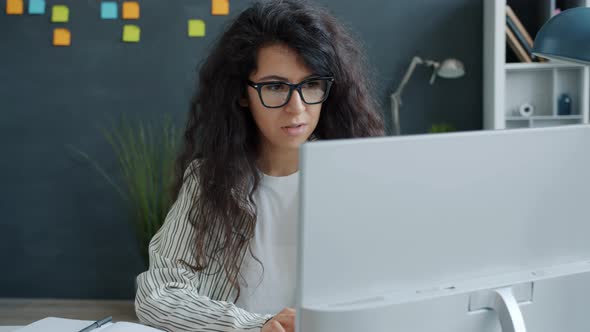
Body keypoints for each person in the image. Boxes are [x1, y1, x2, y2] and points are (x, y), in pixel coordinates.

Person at [134, 0, 384, 331]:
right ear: (242, 93)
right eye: (276, 87)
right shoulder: (209, 180)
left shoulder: (359, 178)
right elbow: (157, 294)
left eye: (311, 84)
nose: (296, 108)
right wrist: (257, 326)